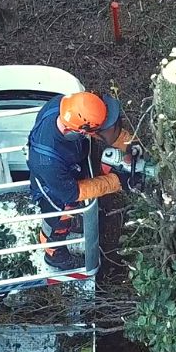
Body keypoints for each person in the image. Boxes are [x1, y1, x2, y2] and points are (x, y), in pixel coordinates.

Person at [27, 91, 139, 270]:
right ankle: (53, 252)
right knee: (61, 215)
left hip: (70, 164)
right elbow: (73, 193)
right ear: (75, 131)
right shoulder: (47, 161)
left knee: (78, 195)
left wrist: (131, 144)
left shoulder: (64, 107)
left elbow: (99, 128)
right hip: (54, 188)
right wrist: (117, 181)